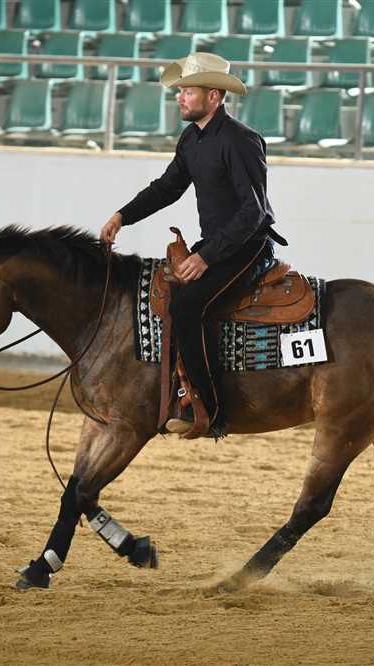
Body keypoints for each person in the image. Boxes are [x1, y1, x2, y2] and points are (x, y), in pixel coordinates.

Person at [100, 53, 286, 439]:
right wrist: (123, 215)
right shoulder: (192, 139)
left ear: (214, 96)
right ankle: (174, 393)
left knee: (187, 307)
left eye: (187, 91)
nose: (179, 97)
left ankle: (212, 410)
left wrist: (205, 257)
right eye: (180, 91)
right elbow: (167, 187)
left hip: (247, 246)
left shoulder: (240, 140)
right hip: (218, 244)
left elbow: (254, 212)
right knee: (167, 295)